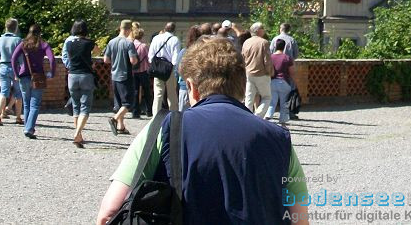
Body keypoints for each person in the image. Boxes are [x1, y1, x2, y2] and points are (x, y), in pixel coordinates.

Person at [96, 37, 308, 225]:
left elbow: (110, 212)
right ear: (243, 86)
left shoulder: (165, 128)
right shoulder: (279, 139)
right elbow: (299, 219)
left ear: (191, 86)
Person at [10, 24, 56, 139]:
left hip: (24, 76)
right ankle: (29, 129)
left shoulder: (23, 44)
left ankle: (27, 127)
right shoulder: (43, 45)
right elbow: (52, 60)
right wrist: (52, 73)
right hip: (38, 77)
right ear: (40, 33)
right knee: (34, 104)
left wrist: (16, 73)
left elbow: (13, 58)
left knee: (26, 104)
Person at [64, 20, 96, 148]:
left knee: (76, 106)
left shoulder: (69, 44)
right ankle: (77, 134)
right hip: (85, 76)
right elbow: (98, 51)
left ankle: (79, 134)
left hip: (72, 76)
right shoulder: (89, 43)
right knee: (85, 107)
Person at [104, 19, 139, 135]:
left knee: (119, 103)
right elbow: (133, 60)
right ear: (130, 30)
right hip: (125, 76)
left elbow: (106, 60)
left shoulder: (111, 42)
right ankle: (114, 119)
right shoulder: (129, 43)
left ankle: (121, 126)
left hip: (114, 76)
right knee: (128, 103)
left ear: (120, 28)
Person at [0, 18, 23, 126]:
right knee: (18, 93)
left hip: (3, 66)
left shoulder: (0, 39)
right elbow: (20, 58)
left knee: (3, 92)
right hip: (15, 68)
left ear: (6, 27)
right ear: (16, 27)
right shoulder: (18, 40)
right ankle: (18, 117)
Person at [241, 22, 273, 117]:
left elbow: (243, 58)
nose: (264, 30)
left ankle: (247, 117)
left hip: (248, 73)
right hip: (262, 74)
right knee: (267, 97)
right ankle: (258, 116)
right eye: (263, 28)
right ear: (259, 30)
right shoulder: (264, 42)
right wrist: (270, 72)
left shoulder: (246, 42)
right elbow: (267, 60)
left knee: (249, 98)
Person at [149, 22, 180, 115]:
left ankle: (156, 115)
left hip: (158, 67)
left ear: (165, 28)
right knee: (172, 94)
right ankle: (173, 115)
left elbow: (150, 55)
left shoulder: (156, 38)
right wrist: (174, 69)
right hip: (169, 68)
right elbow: (176, 57)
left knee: (158, 94)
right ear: (174, 30)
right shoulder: (175, 39)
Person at [266, 39, 295, 126]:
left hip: (272, 82)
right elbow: (292, 72)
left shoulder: (270, 57)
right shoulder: (287, 58)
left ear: (275, 46)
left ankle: (267, 117)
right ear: (284, 47)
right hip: (284, 82)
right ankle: (283, 121)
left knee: (272, 102)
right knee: (284, 103)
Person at [174, 25, 202, 111]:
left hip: (185, 86)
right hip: (201, 88)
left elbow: (178, 69)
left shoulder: (184, 51)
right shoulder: (203, 51)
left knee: (183, 115)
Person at [132, 27, 152, 119]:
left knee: (135, 91)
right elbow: (149, 59)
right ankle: (149, 110)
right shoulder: (143, 46)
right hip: (143, 70)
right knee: (147, 91)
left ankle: (135, 112)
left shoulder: (131, 44)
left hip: (133, 71)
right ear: (142, 36)